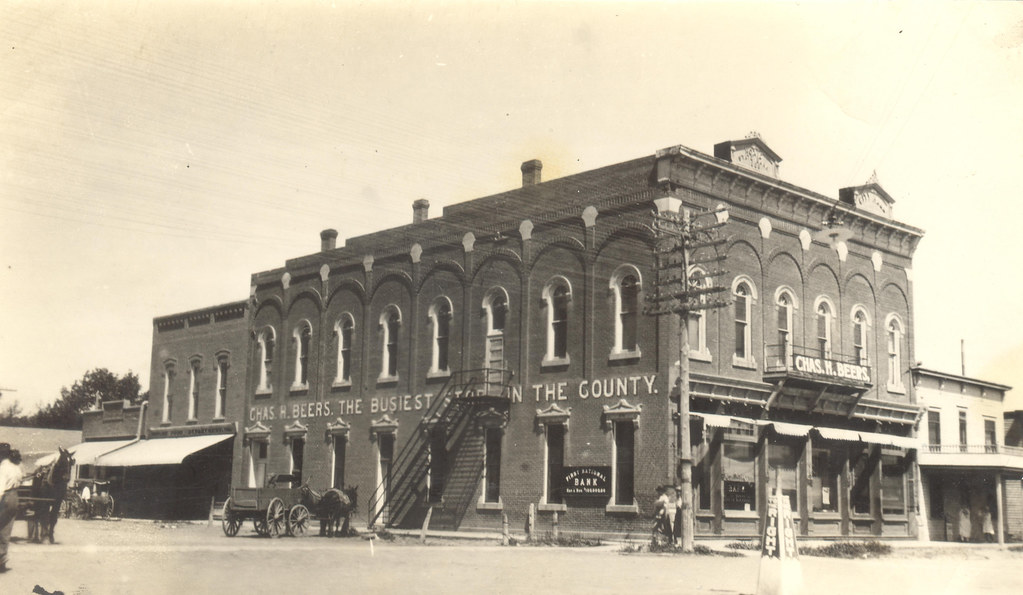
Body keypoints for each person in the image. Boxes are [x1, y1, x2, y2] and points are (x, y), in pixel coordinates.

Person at [0, 443, 24, 573]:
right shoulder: (16, 466)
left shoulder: (3, 468)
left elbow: (1, 489)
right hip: (15, 497)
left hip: (5, 498)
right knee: (5, 530)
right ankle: (2, 561)